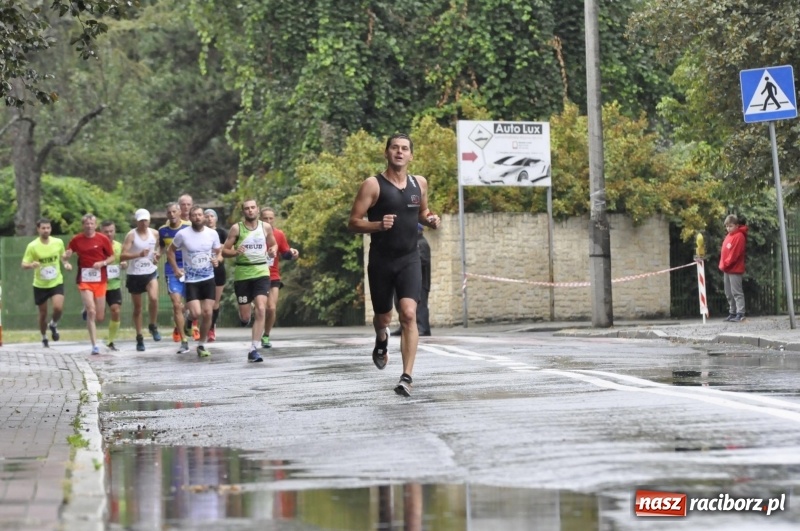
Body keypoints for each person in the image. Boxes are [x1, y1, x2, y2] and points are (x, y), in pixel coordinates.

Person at [347, 133, 441, 396]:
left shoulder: (418, 183)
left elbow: (422, 211)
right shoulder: (372, 185)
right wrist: (377, 224)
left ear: (411, 155)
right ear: (386, 152)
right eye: (395, 148)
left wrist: (431, 218)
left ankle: (406, 377)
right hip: (381, 261)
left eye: (405, 149)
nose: (400, 152)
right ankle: (381, 339)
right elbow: (353, 222)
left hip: (410, 258)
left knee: (409, 313)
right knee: (383, 317)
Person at [222, 199, 277, 363]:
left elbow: (273, 244)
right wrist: (235, 252)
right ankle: (246, 315)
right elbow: (225, 251)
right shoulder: (236, 229)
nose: (250, 210)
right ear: (243, 211)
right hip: (243, 275)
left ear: (258, 209)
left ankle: (254, 349)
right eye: (247, 208)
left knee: (261, 309)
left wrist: (273, 250)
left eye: (253, 207)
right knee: (246, 317)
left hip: (261, 272)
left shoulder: (265, 227)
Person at [167, 206, 222, 358]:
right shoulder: (183, 234)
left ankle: (201, 344)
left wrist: (217, 260)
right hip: (191, 280)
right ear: (189, 218)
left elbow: (219, 252)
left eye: (200, 215)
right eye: (194, 215)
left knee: (208, 312)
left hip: (208, 279)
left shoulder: (212, 234)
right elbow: (170, 251)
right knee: (196, 312)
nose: (197, 217)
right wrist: (176, 269)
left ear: (204, 217)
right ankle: (189, 320)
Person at [64, 213, 115, 355]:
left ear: (95, 224)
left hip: (100, 280)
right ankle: (94, 345)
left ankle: (86, 309)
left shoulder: (103, 239)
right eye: (86, 223)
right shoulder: (76, 240)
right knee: (92, 311)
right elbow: (67, 254)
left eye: (91, 223)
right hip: (84, 279)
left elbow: (112, 257)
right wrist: (66, 261)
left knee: (99, 316)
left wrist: (102, 263)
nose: (89, 226)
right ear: (83, 225)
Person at [21, 218, 73, 348]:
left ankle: (54, 324)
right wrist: (31, 265)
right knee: (43, 314)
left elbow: (62, 258)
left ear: (51, 229)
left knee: (58, 308)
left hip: (56, 281)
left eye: (48, 228)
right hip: (40, 284)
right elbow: (23, 264)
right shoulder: (32, 246)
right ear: (38, 229)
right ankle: (44, 337)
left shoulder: (58, 242)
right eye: (43, 228)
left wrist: (66, 264)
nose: (46, 230)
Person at [120, 209, 162, 351]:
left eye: (146, 220)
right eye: (141, 220)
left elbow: (161, 246)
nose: (144, 223)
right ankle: (139, 337)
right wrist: (138, 254)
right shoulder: (131, 235)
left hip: (150, 272)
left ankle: (153, 325)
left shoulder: (155, 233)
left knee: (154, 298)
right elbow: (122, 255)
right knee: (138, 308)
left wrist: (157, 255)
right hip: (135, 274)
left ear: (149, 220)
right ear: (136, 221)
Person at [259, 206, 299, 349]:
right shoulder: (255, 234)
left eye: (271, 218)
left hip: (273, 275)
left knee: (271, 308)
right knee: (261, 308)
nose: (269, 221)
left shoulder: (279, 234)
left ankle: (266, 335)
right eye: (265, 218)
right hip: (255, 275)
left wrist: (293, 253)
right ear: (260, 219)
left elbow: (285, 253)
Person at [159, 202, 191, 353]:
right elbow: (161, 246)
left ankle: (188, 321)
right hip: (172, 269)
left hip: (189, 268)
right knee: (176, 304)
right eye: (169, 212)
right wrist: (157, 253)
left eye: (174, 212)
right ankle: (184, 340)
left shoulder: (188, 227)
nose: (172, 215)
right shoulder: (163, 231)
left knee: (193, 306)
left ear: (179, 212)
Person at [390, 224, 432, 337]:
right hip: (405, 281)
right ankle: (403, 326)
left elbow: (424, 261)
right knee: (400, 304)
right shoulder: (409, 244)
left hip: (420, 282)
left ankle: (423, 328)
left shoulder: (421, 243)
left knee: (420, 304)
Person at [99, 220, 128, 351]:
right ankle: (94, 341)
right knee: (99, 315)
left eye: (111, 231)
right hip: (98, 284)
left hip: (114, 284)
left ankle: (110, 341)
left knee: (116, 310)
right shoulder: (97, 246)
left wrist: (123, 265)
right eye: (106, 232)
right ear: (101, 232)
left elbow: (124, 262)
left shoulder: (119, 246)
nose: (109, 234)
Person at [719, 214, 748, 322]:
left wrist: (725, 263)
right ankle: (733, 312)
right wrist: (724, 264)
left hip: (734, 268)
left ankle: (740, 313)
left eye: (730, 226)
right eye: (727, 226)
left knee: (736, 292)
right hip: (727, 268)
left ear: (736, 225)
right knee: (728, 292)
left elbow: (735, 254)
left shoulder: (739, 236)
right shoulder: (729, 236)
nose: (728, 228)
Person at [204, 209, 227, 342]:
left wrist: (220, 248)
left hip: (218, 270)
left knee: (215, 302)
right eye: (206, 216)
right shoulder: (200, 233)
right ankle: (203, 327)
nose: (209, 218)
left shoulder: (222, 233)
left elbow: (230, 247)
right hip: (203, 270)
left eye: (212, 216)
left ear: (216, 219)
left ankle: (212, 328)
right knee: (204, 304)